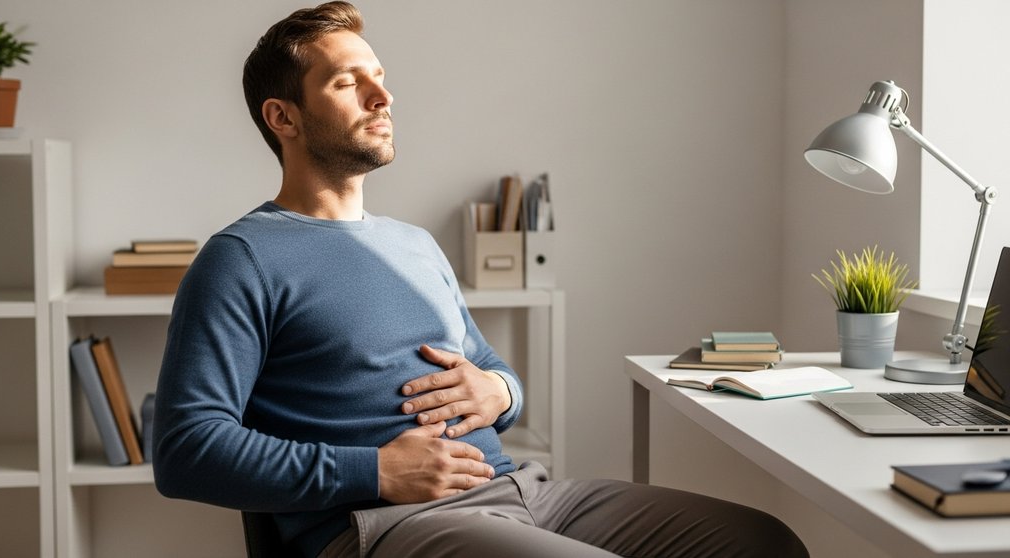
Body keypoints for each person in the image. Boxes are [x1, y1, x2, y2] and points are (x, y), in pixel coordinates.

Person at [152, 3, 810, 557]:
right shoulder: (242, 257)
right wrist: (375, 470)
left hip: (528, 490)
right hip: (388, 522)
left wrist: (500, 390)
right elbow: (186, 450)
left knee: (761, 542)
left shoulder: (413, 245)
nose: (383, 96)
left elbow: (487, 367)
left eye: (379, 76)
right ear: (283, 118)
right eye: (348, 83)